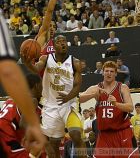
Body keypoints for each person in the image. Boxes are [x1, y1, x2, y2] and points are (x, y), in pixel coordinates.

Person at [21, 35, 86, 158]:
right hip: (50, 105)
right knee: (54, 144)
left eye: (64, 42)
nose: (63, 44)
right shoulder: (46, 58)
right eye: (59, 42)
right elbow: (36, 68)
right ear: (53, 46)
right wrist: (27, 63)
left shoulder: (75, 62)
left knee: (76, 135)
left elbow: (77, 86)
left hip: (69, 103)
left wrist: (68, 97)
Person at [0, 10, 46, 157]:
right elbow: (7, 72)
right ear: (37, 86)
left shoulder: (12, 100)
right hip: (4, 133)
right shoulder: (29, 100)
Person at [79, 61, 139, 158]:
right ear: (102, 72)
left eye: (112, 71)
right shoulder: (96, 88)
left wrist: (116, 104)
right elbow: (79, 98)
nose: (109, 73)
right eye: (106, 71)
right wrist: (93, 95)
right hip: (104, 134)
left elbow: (130, 107)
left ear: (116, 73)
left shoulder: (122, 87)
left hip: (121, 132)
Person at [0, 73, 46, 158]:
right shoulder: (32, 100)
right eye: (42, 85)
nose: (44, 89)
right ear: (37, 86)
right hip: (5, 135)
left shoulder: (12, 98)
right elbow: (23, 124)